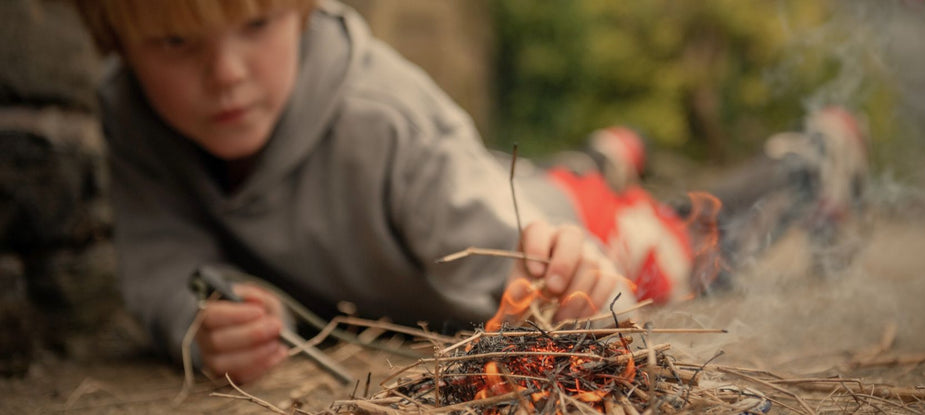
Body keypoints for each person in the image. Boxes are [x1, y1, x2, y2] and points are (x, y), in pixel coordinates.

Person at [73, 0, 868, 385]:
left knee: (676, 244)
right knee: (545, 181)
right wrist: (201, 317)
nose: (226, 74)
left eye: (255, 26)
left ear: (307, 12)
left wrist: (580, 285)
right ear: (116, 40)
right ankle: (603, 156)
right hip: (500, 182)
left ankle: (810, 162)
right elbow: (160, 254)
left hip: (561, 226)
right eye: (176, 42)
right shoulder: (130, 112)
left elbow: (515, 250)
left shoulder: (384, 119)